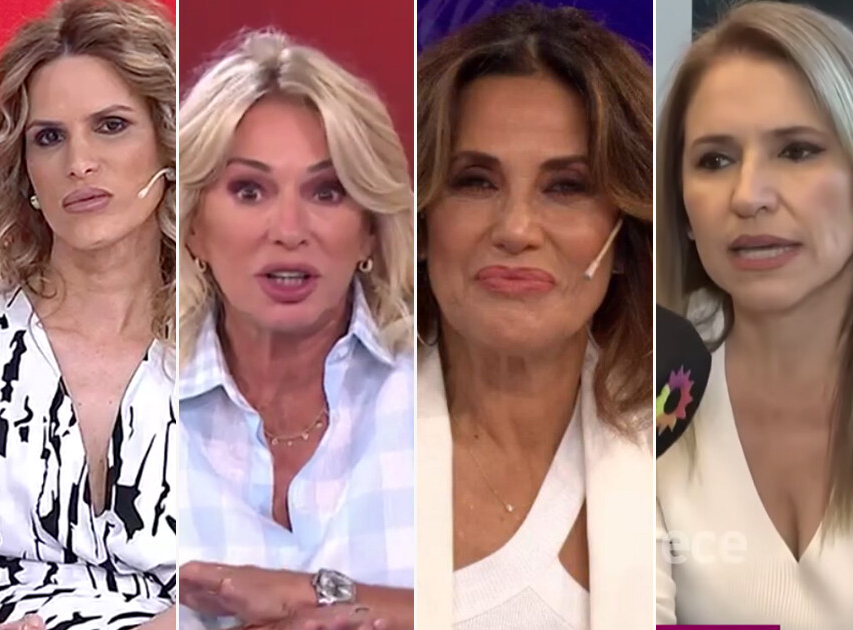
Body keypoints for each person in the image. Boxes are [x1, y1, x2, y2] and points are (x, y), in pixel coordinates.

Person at [416, 5, 655, 629]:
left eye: (566, 187)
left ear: (624, 236)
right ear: (421, 220)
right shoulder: (344, 432)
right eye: (475, 181)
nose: (516, 230)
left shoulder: (685, 450)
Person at [175, 30, 415, 630]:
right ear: (193, 226)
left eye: (326, 191)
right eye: (249, 190)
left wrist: (305, 595)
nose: (288, 229)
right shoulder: (132, 399)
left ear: (369, 229)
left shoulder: (440, 390)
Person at [656, 2, 853, 628]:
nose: (748, 197)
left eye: (796, 151)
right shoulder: (646, 391)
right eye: (714, 160)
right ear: (683, 207)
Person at [0, 0, 177, 628]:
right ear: (25, 170)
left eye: (111, 125)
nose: (79, 163)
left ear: (169, 142)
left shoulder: (234, 340)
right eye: (49, 137)